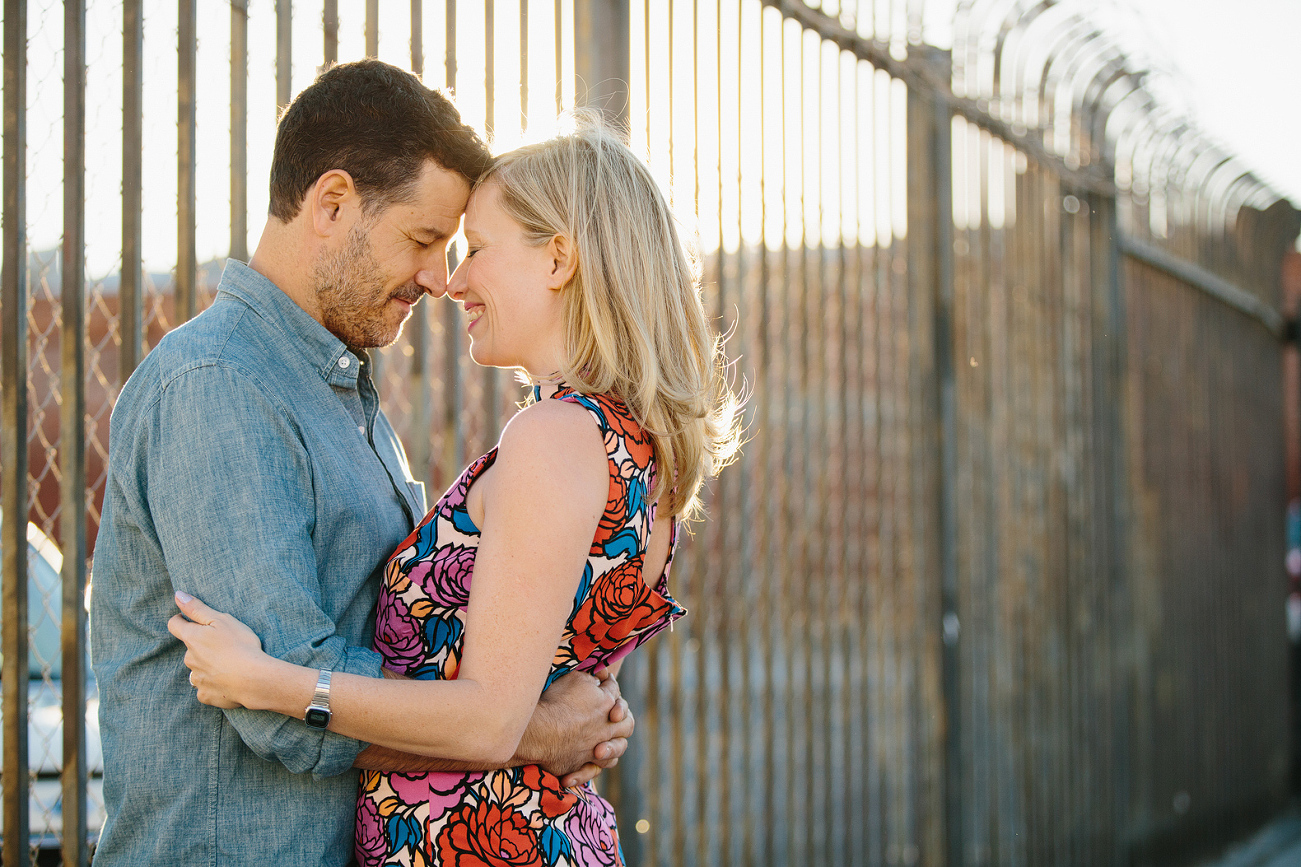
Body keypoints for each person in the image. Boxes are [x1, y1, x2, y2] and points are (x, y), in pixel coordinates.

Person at [91, 61, 633, 867]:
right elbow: (281, 699)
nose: (437, 278)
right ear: (332, 202)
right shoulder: (219, 388)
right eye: (422, 240)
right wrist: (537, 729)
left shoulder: (339, 392)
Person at [169, 119, 742, 865]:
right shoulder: (637, 448)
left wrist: (270, 681)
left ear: (558, 258)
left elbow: (487, 724)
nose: (454, 279)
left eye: (476, 248)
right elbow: (570, 693)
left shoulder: (552, 436)